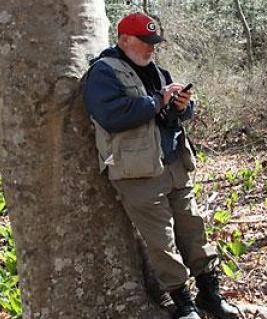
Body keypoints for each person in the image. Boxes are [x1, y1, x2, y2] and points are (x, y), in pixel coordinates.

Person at [83, 12, 240, 319]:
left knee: (194, 232)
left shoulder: (157, 70)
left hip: (174, 165)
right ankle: (184, 306)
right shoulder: (103, 72)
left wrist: (182, 107)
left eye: (154, 43)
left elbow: (167, 116)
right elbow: (112, 115)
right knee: (161, 242)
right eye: (145, 42)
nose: (151, 49)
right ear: (124, 40)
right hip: (137, 173)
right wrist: (158, 101)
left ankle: (210, 295)